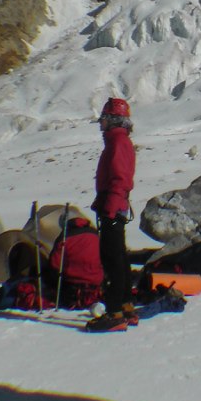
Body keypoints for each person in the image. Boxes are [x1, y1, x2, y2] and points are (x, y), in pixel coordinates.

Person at [86, 98, 137, 332]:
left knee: (112, 258)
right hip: (116, 204)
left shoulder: (117, 142)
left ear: (112, 119)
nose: (101, 124)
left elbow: (119, 177)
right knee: (119, 256)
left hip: (112, 204)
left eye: (104, 119)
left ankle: (115, 312)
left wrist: (110, 205)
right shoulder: (119, 141)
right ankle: (125, 306)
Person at [48, 215, 104, 309]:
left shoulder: (65, 238)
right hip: (96, 280)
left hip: (73, 281)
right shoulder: (95, 235)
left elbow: (55, 263)